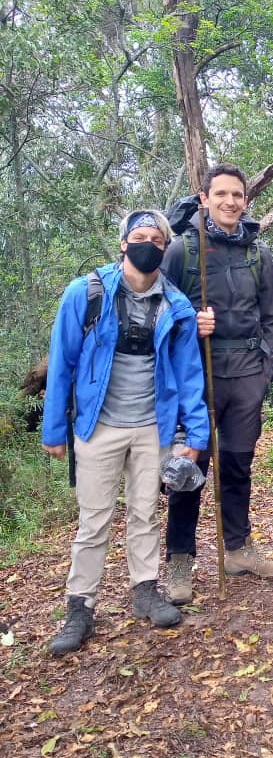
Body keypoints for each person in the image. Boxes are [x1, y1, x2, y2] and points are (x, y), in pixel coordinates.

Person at [43, 210, 209, 655]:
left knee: (145, 514)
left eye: (158, 239)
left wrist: (196, 434)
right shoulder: (88, 293)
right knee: (93, 521)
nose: (149, 245)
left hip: (151, 427)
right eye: (140, 236)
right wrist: (54, 428)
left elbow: (189, 374)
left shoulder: (175, 306)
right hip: (97, 427)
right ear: (123, 243)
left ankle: (145, 591)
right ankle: (80, 607)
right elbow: (63, 362)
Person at [162, 162, 273, 602]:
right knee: (188, 469)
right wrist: (189, 324)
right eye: (222, 195)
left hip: (246, 378)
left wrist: (264, 370)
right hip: (197, 380)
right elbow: (158, 314)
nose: (230, 202)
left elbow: (271, 316)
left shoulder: (258, 253)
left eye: (237, 195)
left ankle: (238, 548)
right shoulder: (181, 250)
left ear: (245, 201)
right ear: (205, 199)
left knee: (237, 467)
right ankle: (179, 563)